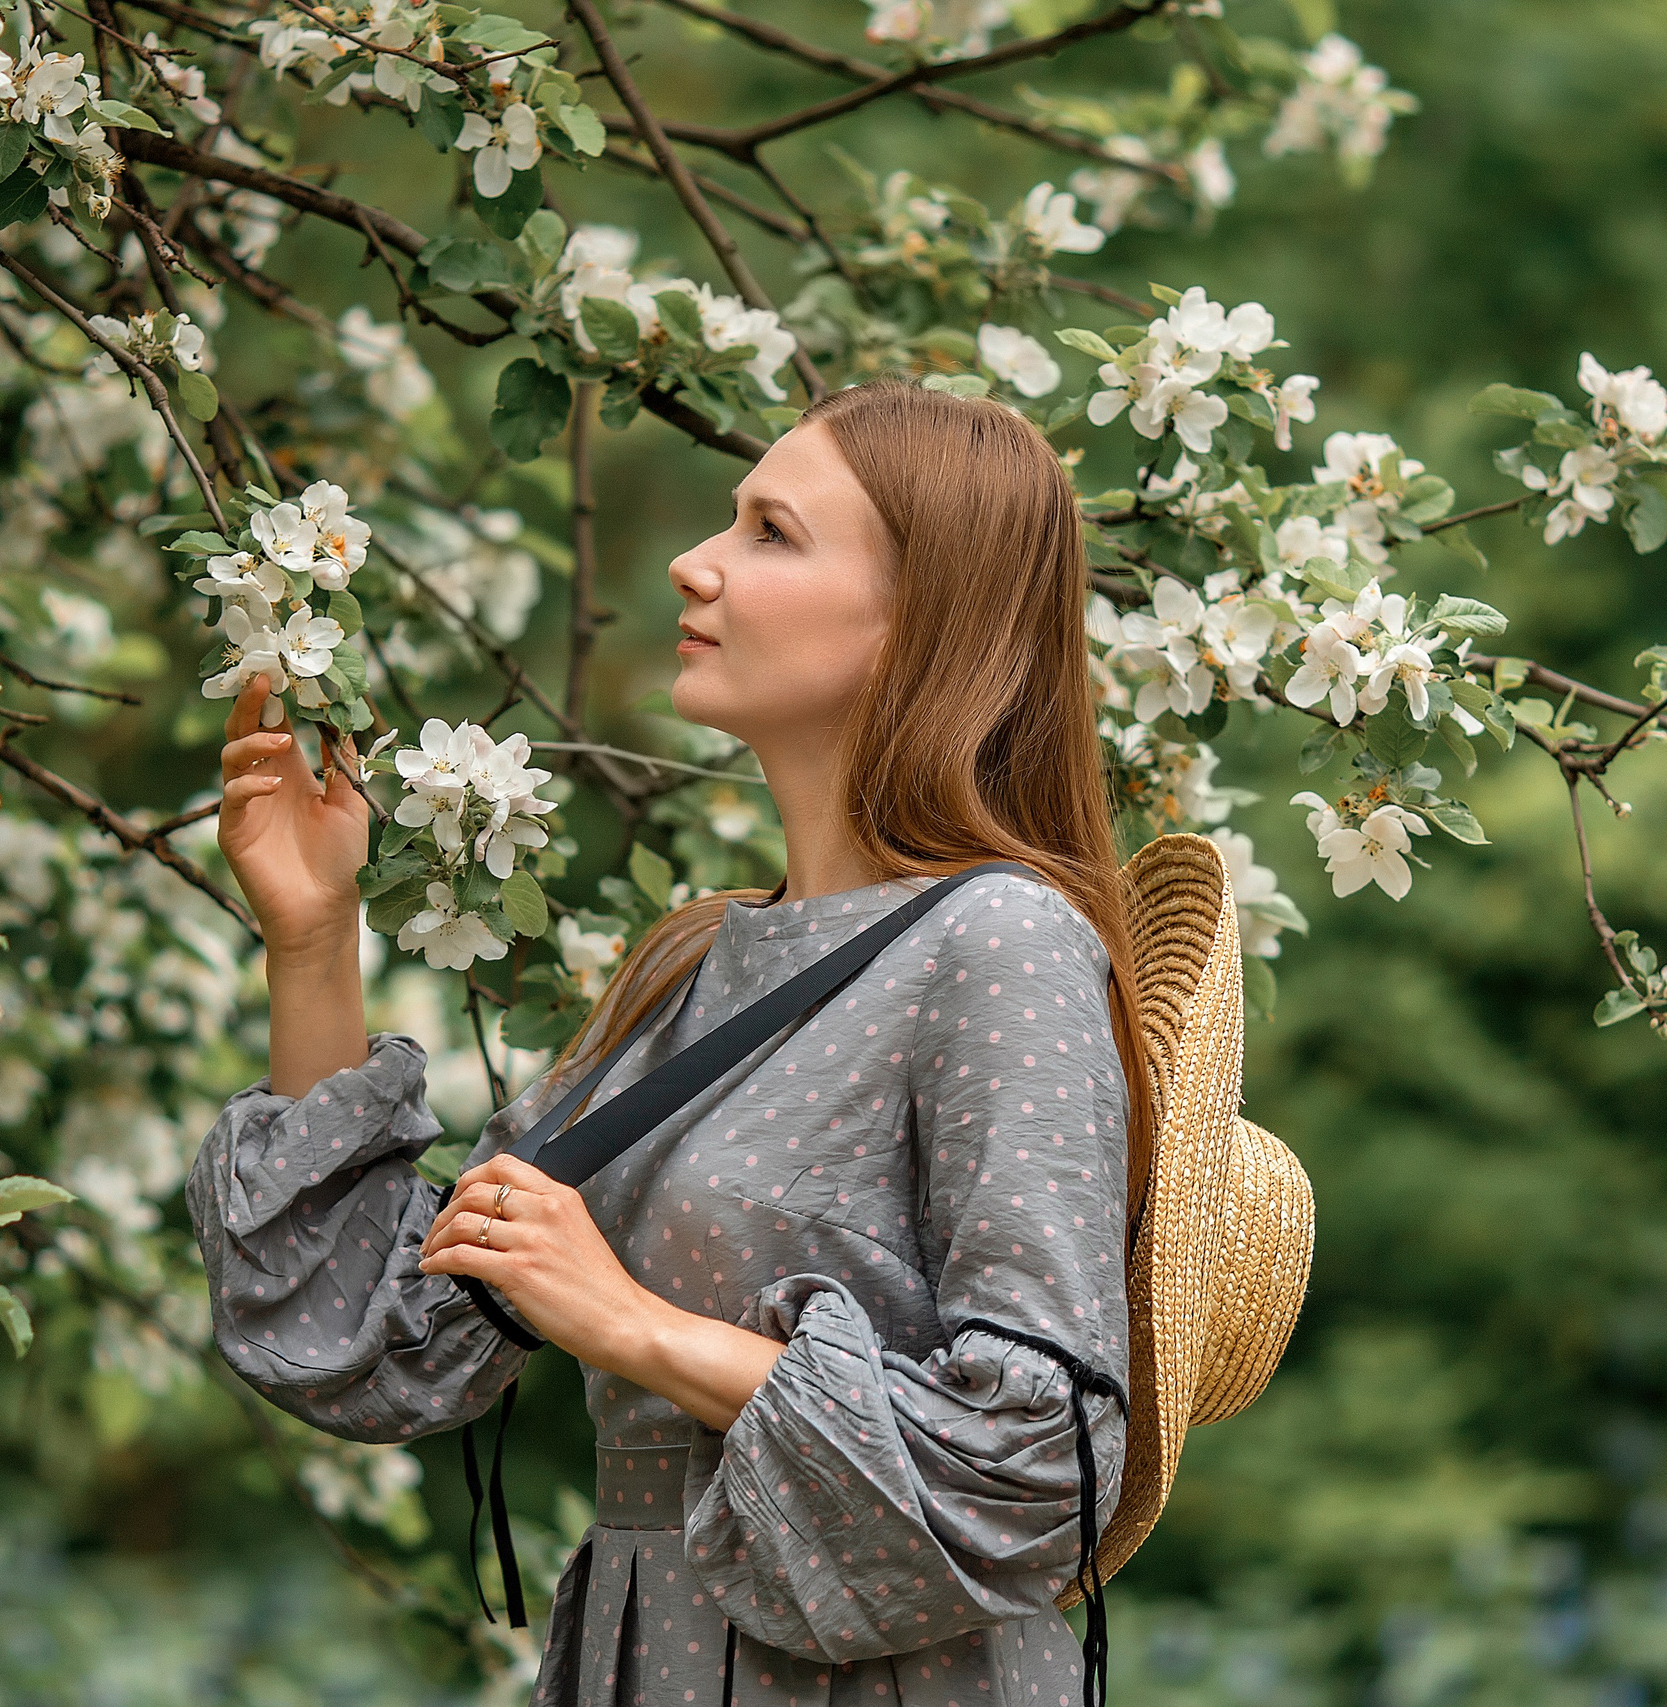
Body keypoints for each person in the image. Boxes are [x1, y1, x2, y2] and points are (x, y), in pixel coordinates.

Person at [186, 378, 1157, 1707]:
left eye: (771, 532)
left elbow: (1041, 1462)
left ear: (919, 619)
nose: (693, 564)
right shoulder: (693, 965)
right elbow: (377, 1337)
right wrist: (314, 944)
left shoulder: (999, 945)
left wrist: (635, 1328)